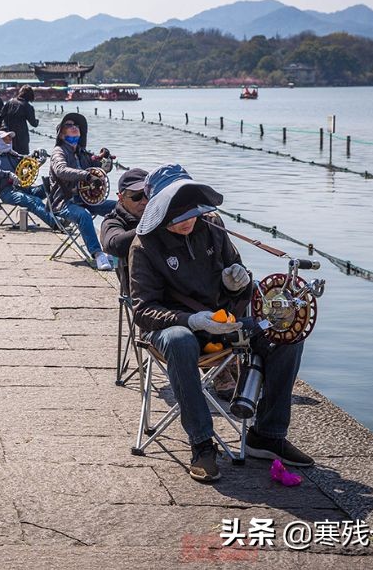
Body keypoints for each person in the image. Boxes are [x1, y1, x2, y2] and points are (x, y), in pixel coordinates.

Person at [128, 164, 312, 483]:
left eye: (192, 210)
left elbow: (238, 276)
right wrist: (191, 320)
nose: (187, 219)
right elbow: (144, 310)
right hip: (176, 329)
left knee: (287, 335)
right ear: (159, 211)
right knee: (180, 341)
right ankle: (201, 444)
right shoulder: (143, 246)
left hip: (224, 323)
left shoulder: (212, 226)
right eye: (176, 213)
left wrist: (237, 280)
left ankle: (266, 434)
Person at [48, 112, 117, 271]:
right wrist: (86, 176)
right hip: (64, 202)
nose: (74, 128)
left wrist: (106, 159)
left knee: (119, 208)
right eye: (69, 125)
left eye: (76, 126)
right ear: (61, 133)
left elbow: (102, 170)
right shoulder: (58, 152)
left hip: (87, 199)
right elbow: (61, 170)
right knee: (83, 215)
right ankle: (98, 254)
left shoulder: (83, 153)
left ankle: (113, 248)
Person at [0, 131, 56, 228]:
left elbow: (28, 163)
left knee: (53, 185)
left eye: (10, 138)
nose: (9, 140)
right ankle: (56, 223)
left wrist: (39, 158)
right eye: (6, 138)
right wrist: (8, 174)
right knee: (34, 201)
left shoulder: (15, 155)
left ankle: (63, 216)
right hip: (7, 192)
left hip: (25, 189)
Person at [99, 167, 150, 283]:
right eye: (136, 196)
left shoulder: (163, 216)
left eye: (148, 195)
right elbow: (114, 244)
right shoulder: (113, 221)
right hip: (141, 290)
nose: (144, 201)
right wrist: (154, 226)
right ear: (121, 198)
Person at [0, 85, 39, 155]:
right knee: (21, 157)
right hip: (22, 138)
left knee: (8, 156)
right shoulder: (28, 107)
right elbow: (34, 123)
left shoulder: (10, 102)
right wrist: (37, 121)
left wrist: (0, 131)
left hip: (8, 135)